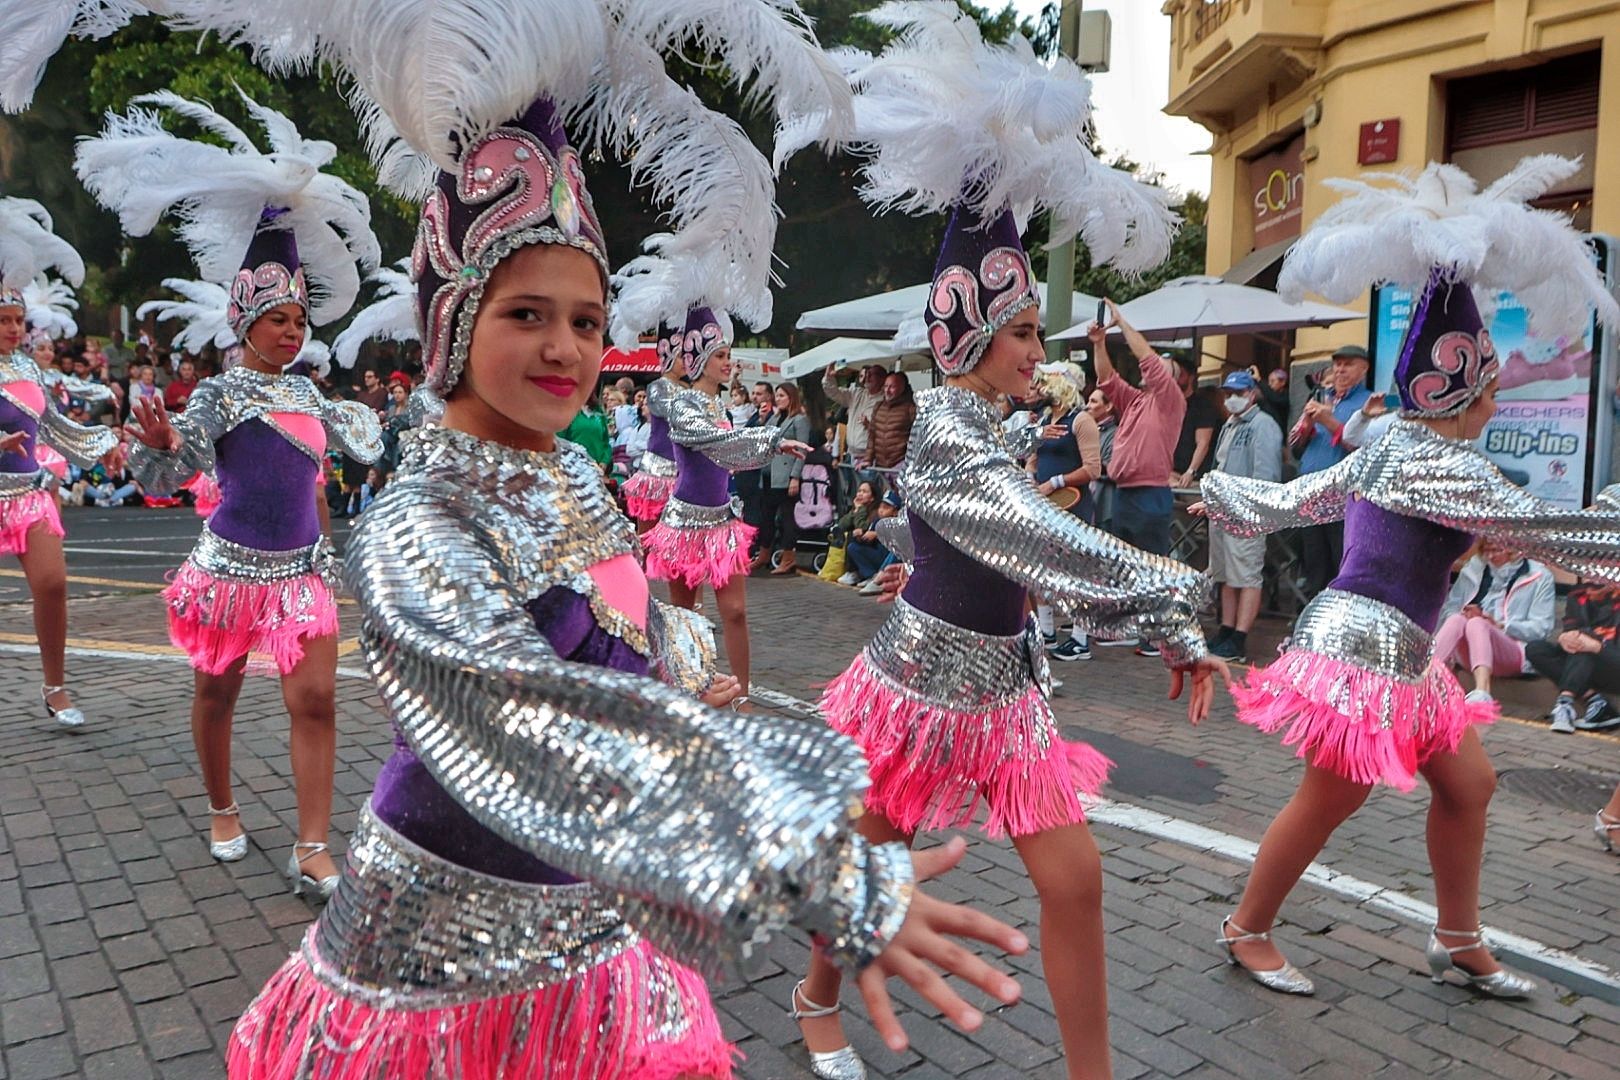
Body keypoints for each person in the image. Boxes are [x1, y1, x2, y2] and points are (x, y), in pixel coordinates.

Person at [160, 8, 1038, 1073]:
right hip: (434, 962)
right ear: (453, 322)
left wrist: (696, 665)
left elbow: (620, 610)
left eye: (586, 319)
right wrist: (817, 869)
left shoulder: (573, 471)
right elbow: (522, 717)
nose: (565, 345)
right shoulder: (415, 518)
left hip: (592, 928)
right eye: (526, 313)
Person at [781, 12, 1227, 1077]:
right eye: (1024, 332)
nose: (1038, 351)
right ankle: (813, 999)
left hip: (1010, 698)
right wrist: (1173, 603)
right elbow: (1034, 540)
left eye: (1037, 332)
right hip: (921, 694)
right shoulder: (944, 431)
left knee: (1073, 880)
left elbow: (1018, 547)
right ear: (969, 333)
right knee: (873, 869)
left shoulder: (999, 425)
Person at [1193, 155, 1620, 1002]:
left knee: (1470, 783)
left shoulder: (1397, 443)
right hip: (1363, 648)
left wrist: (1220, 489)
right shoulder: (1435, 459)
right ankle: (1246, 928)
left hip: (1404, 647)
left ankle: (1457, 938)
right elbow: (1554, 531)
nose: (1497, 403)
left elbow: (1303, 499)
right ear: (1459, 393)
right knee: (1331, 797)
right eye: (1490, 389)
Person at [80, 90, 384, 894]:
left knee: (315, 700)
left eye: (299, 320)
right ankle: (222, 806)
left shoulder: (314, 396)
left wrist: (329, 549)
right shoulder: (216, 395)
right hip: (228, 568)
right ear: (245, 318)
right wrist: (155, 447)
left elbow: (323, 479)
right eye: (279, 319)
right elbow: (170, 479)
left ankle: (311, 845)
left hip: (300, 574)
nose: (293, 331)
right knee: (216, 693)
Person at [645, 310, 809, 699]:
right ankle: (692, 691)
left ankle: (741, 695)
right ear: (699, 360)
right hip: (683, 526)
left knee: (735, 612)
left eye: (727, 355)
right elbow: (716, 445)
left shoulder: (719, 408)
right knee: (684, 617)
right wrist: (770, 440)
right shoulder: (682, 406)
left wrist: (766, 446)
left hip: (722, 523)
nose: (728, 362)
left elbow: (732, 458)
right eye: (720, 355)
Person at [0, 197, 118, 728]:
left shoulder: (30, 367)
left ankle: (55, 687)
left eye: (18, 320)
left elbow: (56, 429)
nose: (12, 329)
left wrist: (106, 444)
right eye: (3, 320)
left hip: (26, 493)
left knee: (52, 584)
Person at [1090, 300, 1186, 657]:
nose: (1152, 367)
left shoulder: (1169, 400)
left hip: (1149, 493)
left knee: (1151, 566)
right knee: (1127, 566)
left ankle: (1154, 633)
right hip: (1126, 492)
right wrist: (1100, 343)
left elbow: (1146, 359)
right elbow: (1107, 380)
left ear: (1171, 379)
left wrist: (1121, 323)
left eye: (1162, 367)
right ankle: (1136, 627)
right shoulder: (1136, 401)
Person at [1206, 370, 1283, 663]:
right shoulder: (1230, 424)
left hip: (1246, 513)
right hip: (1221, 510)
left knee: (1247, 575)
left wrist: (1252, 511)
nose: (1232, 399)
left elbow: (1266, 474)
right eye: (1228, 394)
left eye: (1238, 393)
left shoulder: (1263, 425)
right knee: (1225, 574)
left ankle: (1239, 637)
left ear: (1252, 393)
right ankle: (1226, 628)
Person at [1028, 362, 1103, 662]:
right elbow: (1033, 457)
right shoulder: (1045, 418)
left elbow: (1093, 468)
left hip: (1073, 505)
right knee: (1042, 571)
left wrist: (1055, 482)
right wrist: (1031, 476)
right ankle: (1047, 630)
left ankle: (1081, 638)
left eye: (1047, 382)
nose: (1040, 388)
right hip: (1046, 506)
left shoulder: (1082, 420)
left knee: (1077, 573)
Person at [1290, 344, 1372, 597]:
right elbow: (1295, 449)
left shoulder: (1368, 402)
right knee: (1313, 562)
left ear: (1364, 368)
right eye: (1337, 364)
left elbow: (1364, 449)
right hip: (1311, 491)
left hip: (1342, 497)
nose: (1340, 369)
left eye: (1348, 364)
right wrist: (1306, 428)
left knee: (1340, 562)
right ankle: (1308, 621)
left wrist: (1329, 421)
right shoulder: (1320, 397)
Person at [1434, 540, 1556, 704]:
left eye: (1497, 550)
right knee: (1456, 619)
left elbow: (1541, 629)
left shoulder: (1540, 576)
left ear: (1514, 549)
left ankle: (1483, 690)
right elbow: (1449, 608)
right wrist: (1464, 612)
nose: (1491, 556)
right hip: (1469, 650)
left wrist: (1501, 626)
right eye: (1487, 551)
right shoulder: (1474, 569)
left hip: (1514, 652)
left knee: (1478, 624)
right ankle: (1424, 679)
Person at [1526, 580, 1620, 734]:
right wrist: (1565, 637)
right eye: (1588, 582)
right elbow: (1571, 630)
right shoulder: (1577, 596)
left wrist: (1596, 647)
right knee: (1535, 649)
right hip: (1582, 665)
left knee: (1585, 639)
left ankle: (1565, 703)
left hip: (1613, 667)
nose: (1589, 590)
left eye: (1597, 586)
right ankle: (1595, 701)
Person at [761, 382, 812, 575]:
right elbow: (764, 436)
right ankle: (764, 553)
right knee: (767, 516)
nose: (778, 399)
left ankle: (788, 557)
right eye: (777, 395)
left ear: (791, 397)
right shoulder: (774, 418)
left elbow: (802, 449)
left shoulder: (799, 420)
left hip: (785, 474)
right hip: (769, 474)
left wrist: (795, 477)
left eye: (782, 395)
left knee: (786, 517)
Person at [823, 362, 884, 475]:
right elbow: (833, 392)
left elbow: (885, 429)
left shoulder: (885, 399)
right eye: (866, 374)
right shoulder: (856, 394)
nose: (867, 378)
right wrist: (829, 376)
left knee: (868, 491)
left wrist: (869, 424)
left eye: (872, 375)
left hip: (871, 459)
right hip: (851, 456)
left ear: (882, 379)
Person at [1171, 357, 1219, 488]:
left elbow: (1203, 443)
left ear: (1191, 377)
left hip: (1194, 478)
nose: (1175, 379)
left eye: (1180, 374)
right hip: (1171, 474)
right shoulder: (1169, 405)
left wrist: (1191, 471)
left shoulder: (1202, 406)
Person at [834, 479, 888, 586]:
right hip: (867, 547)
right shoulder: (859, 508)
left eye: (864, 491)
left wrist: (860, 510)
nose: (860, 494)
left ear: (872, 497)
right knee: (848, 534)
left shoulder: (876, 512)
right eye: (859, 491)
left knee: (853, 540)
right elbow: (841, 525)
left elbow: (862, 526)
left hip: (878, 550)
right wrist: (855, 511)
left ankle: (867, 575)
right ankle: (854, 573)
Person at [866, 371, 916, 471]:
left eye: (892, 387)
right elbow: (872, 435)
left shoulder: (911, 408)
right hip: (880, 466)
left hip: (901, 466)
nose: (887, 390)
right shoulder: (878, 406)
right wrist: (868, 459)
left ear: (902, 388)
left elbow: (917, 437)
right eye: (885, 386)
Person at [1085, 385, 1118, 532]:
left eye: (1093, 402)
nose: (1087, 406)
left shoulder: (1115, 433)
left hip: (1105, 503)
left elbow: (1112, 468)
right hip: (1087, 500)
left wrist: (1089, 464)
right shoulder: (1087, 429)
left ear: (1108, 406)